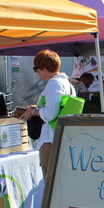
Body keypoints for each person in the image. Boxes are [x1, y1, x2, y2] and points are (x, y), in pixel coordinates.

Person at [19, 49, 74, 179]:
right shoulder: (66, 82)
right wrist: (37, 108)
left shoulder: (54, 83)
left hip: (50, 138)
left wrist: (33, 111)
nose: (36, 72)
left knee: (50, 178)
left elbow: (50, 114)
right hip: (61, 136)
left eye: (36, 69)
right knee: (60, 178)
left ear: (44, 69)